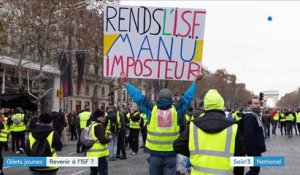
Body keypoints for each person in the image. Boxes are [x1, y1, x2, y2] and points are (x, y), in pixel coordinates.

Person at [119, 69, 203, 175]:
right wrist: (195, 81)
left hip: (154, 156)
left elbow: (138, 97)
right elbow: (187, 97)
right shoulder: (176, 110)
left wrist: (127, 83)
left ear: (159, 98)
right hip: (171, 155)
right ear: (171, 99)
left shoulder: (151, 109)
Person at [173, 89, 245, 175]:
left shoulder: (193, 125)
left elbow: (177, 146)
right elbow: (240, 156)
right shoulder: (233, 127)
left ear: (205, 106)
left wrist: (194, 155)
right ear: (221, 105)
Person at [243, 96, 266, 175]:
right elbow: (248, 135)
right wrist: (253, 151)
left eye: (258, 103)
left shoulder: (254, 115)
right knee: (255, 170)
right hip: (253, 149)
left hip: (254, 148)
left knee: (255, 170)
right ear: (249, 105)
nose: (258, 105)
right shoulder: (250, 116)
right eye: (255, 103)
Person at [86, 109, 111, 175]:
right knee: (103, 172)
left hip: (91, 154)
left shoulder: (91, 125)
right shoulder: (98, 126)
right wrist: (109, 139)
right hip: (99, 155)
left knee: (93, 172)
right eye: (103, 116)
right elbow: (103, 140)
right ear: (98, 117)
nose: (105, 118)